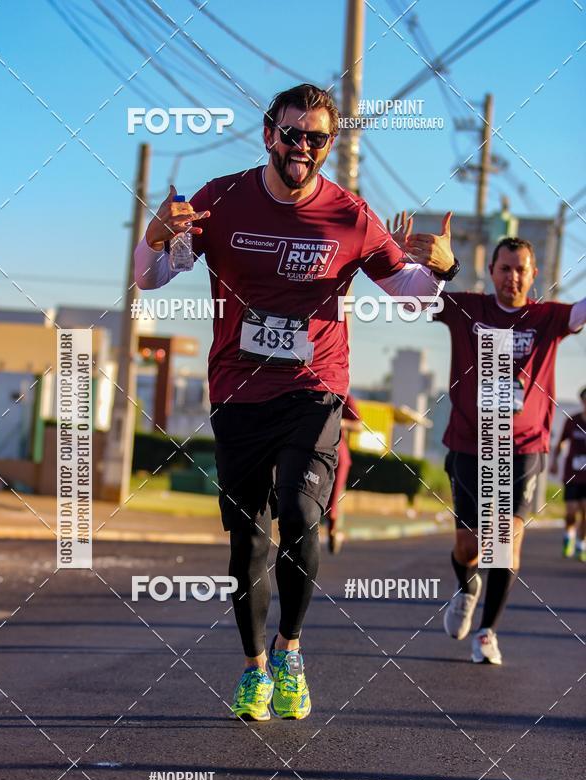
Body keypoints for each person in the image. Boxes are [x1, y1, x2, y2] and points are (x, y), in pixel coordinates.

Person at [135, 84, 457, 721]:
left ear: (329, 144)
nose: (303, 147)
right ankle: (255, 666)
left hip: (315, 388)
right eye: (293, 134)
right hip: (237, 388)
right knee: (247, 535)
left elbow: (415, 296)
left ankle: (291, 650)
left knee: (300, 511)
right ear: (268, 135)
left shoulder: (350, 215)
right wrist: (152, 237)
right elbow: (152, 277)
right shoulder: (220, 198)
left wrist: (442, 268)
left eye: (317, 138)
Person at [390, 216, 586, 665]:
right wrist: (410, 262)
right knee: (468, 547)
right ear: (491, 271)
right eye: (504, 268)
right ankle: (467, 584)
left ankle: (487, 632)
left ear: (533, 274)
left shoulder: (549, 317)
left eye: (521, 269)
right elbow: (413, 303)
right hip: (467, 442)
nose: (512, 277)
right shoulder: (468, 309)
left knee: (505, 539)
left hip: (524, 446)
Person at [550, 386, 586, 562]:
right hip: (572, 473)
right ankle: (569, 536)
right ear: (582, 400)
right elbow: (561, 443)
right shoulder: (573, 421)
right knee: (571, 511)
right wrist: (554, 461)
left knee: (585, 511)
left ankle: (581, 545)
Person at [325, 392, 362, 554]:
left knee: (336, 496)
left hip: (338, 455)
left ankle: (334, 530)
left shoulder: (345, 397)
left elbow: (359, 425)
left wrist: (339, 421)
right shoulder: (310, 392)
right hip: (312, 451)